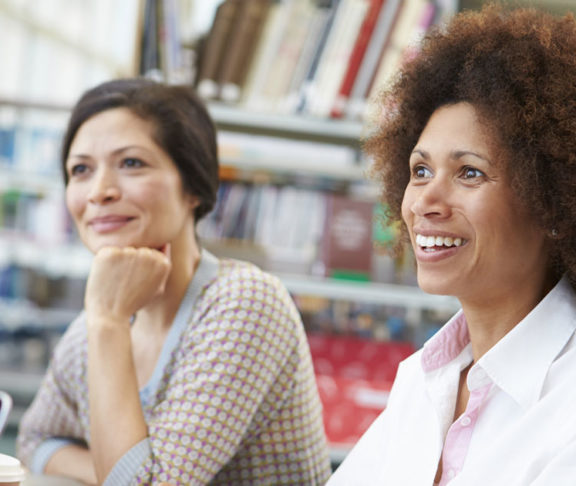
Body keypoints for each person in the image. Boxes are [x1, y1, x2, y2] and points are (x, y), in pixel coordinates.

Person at [16, 78, 331, 485]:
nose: (99, 191)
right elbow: (34, 440)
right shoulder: (89, 332)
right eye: (80, 170)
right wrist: (106, 473)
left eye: (131, 163)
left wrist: (108, 321)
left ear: (193, 187)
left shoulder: (246, 304)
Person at [328, 4, 576, 485]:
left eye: (469, 173)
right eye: (420, 171)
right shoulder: (426, 378)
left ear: (552, 204)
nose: (426, 201)